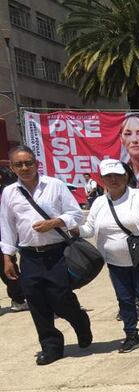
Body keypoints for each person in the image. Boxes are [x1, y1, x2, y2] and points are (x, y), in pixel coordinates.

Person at [0, 146, 92, 365]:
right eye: (19, 164)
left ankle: (80, 321)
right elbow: (7, 226)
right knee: (36, 301)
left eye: (28, 163)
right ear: (12, 167)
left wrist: (55, 222)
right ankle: (51, 346)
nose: (25, 168)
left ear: (36, 163)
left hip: (57, 253)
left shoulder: (55, 185)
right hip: (29, 256)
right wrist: (7, 257)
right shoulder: (9, 192)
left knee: (60, 297)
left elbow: (76, 214)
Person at [76, 159, 139, 352]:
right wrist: (73, 229)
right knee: (124, 299)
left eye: (117, 175)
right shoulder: (99, 203)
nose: (113, 179)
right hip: (115, 262)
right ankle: (131, 335)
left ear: (126, 176)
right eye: (108, 176)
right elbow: (89, 229)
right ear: (102, 179)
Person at [0, 165, 27, 312]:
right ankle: (18, 299)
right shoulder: (7, 193)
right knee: (10, 272)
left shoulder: (7, 193)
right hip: (4, 240)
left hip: (4, 240)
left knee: (9, 271)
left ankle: (18, 299)